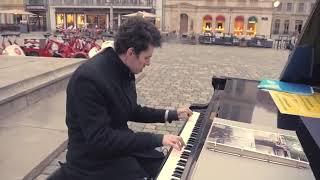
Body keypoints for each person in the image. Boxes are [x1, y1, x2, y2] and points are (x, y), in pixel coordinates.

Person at [49, 16, 193, 180]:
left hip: (118, 146)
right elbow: (101, 139)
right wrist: (158, 139)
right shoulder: (88, 79)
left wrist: (172, 114)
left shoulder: (124, 68)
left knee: (164, 164)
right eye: (147, 58)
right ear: (131, 52)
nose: (148, 63)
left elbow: (131, 110)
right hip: (93, 160)